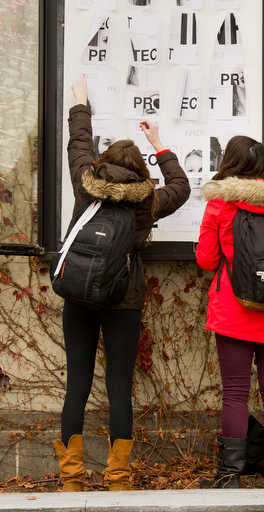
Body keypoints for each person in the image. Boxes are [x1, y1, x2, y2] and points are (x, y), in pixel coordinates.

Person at [54, 76, 190, 492]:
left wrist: (82, 101)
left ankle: (72, 481)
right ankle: (117, 480)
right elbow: (181, 188)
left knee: (77, 383)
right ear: (138, 171)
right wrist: (160, 144)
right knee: (118, 389)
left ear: (103, 161)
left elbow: (78, 144)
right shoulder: (147, 202)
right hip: (123, 302)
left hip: (78, 296)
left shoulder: (85, 183)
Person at [194, 136, 264, 489]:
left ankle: (229, 477)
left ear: (231, 164)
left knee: (236, 393)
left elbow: (207, 259)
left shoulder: (221, 204)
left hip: (234, 311)